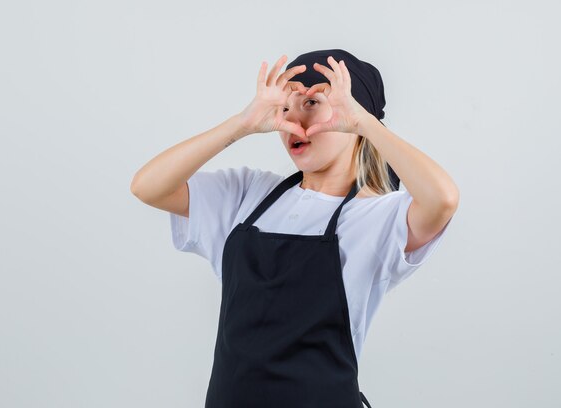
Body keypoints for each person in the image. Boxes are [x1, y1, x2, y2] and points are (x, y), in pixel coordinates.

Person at [131, 49, 459, 408]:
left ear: (353, 114)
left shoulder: (379, 218)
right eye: (286, 107)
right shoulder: (247, 195)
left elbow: (442, 199)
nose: (294, 122)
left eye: (312, 103)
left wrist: (366, 124)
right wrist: (241, 124)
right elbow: (148, 186)